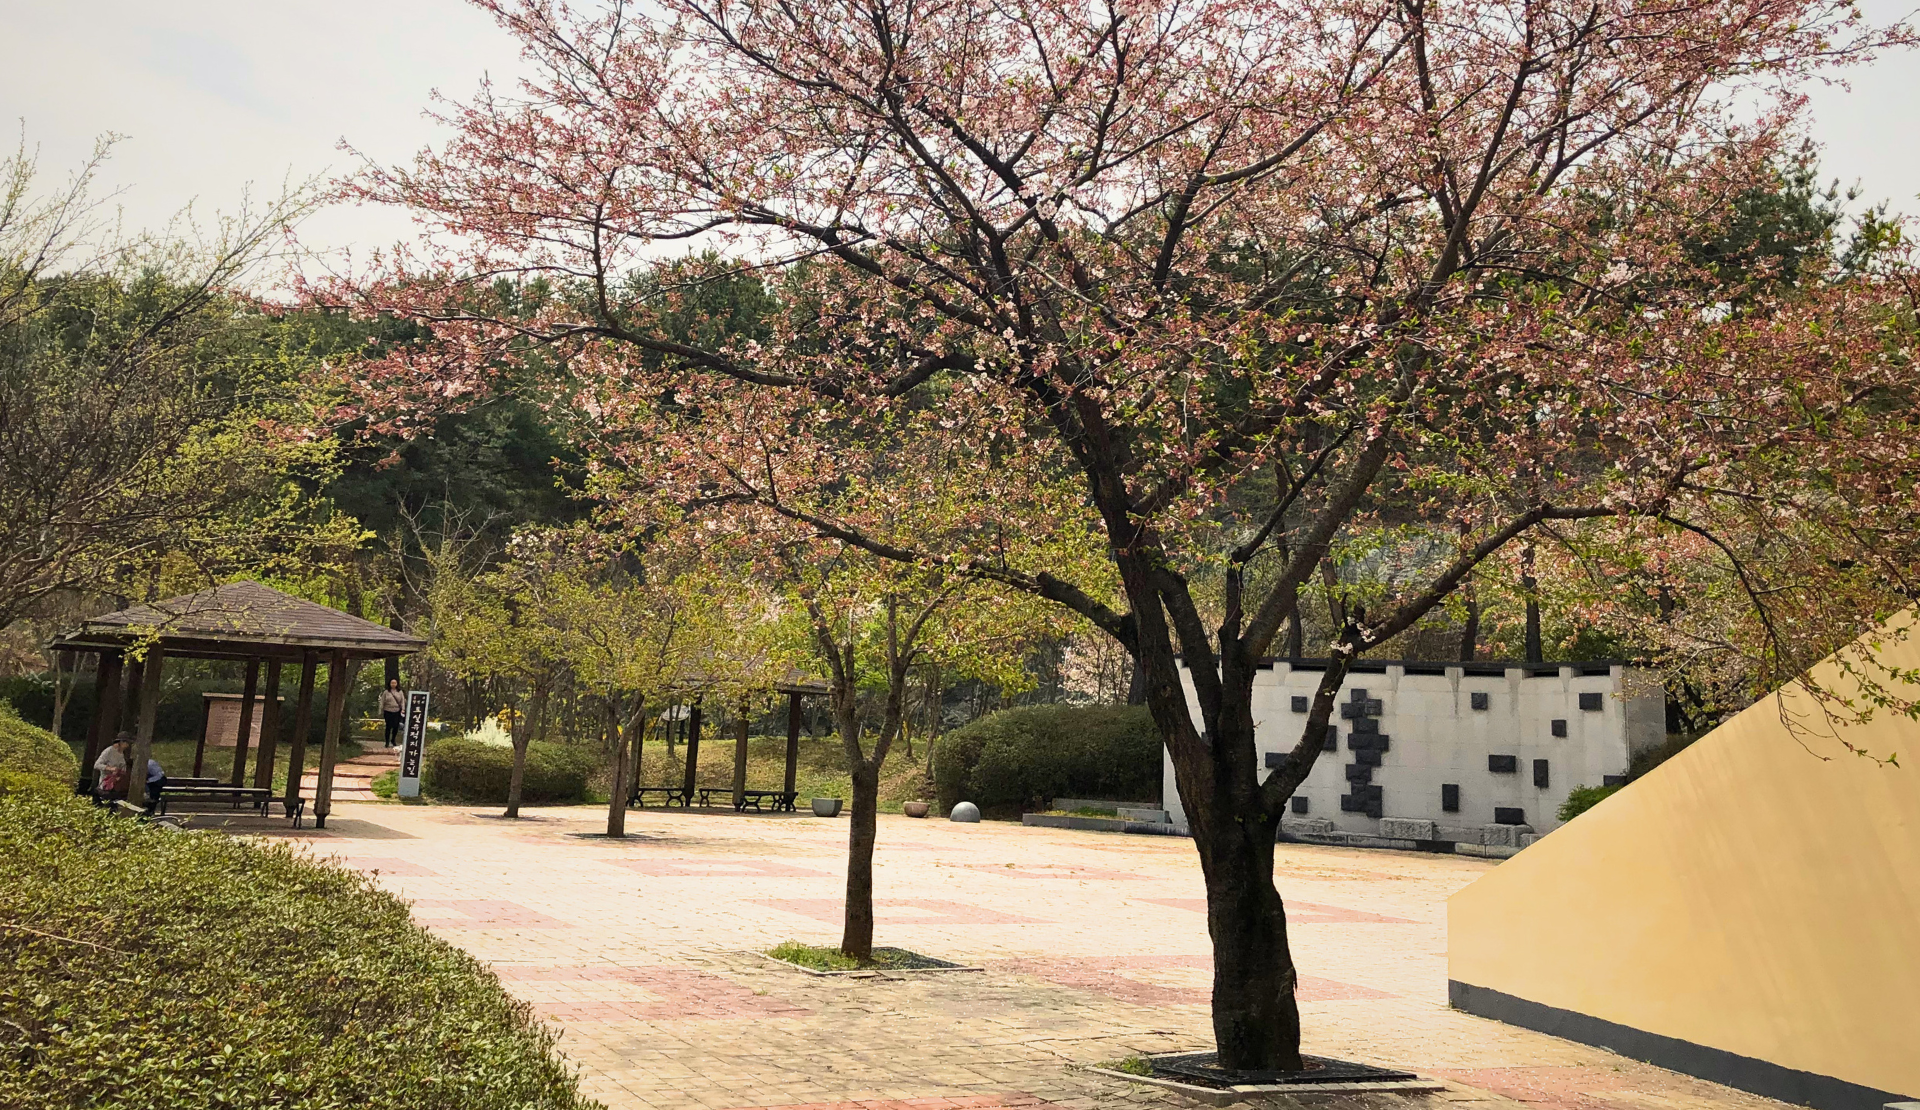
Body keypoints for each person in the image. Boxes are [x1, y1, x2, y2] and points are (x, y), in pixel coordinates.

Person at [93, 734, 131, 802]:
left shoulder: (123, 753)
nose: (128, 745)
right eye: (126, 743)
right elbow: (97, 765)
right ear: (121, 742)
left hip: (118, 784)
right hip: (106, 783)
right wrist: (110, 768)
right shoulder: (109, 751)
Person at [380, 679, 406, 747]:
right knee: (388, 726)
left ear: (397, 684)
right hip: (387, 710)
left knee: (396, 726)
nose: (393, 684)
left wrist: (403, 709)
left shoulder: (400, 692)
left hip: (397, 711)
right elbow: (382, 701)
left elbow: (402, 701)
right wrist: (381, 710)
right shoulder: (386, 692)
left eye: (395, 683)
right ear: (390, 684)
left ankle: (393, 739)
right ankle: (387, 741)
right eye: (392, 683)